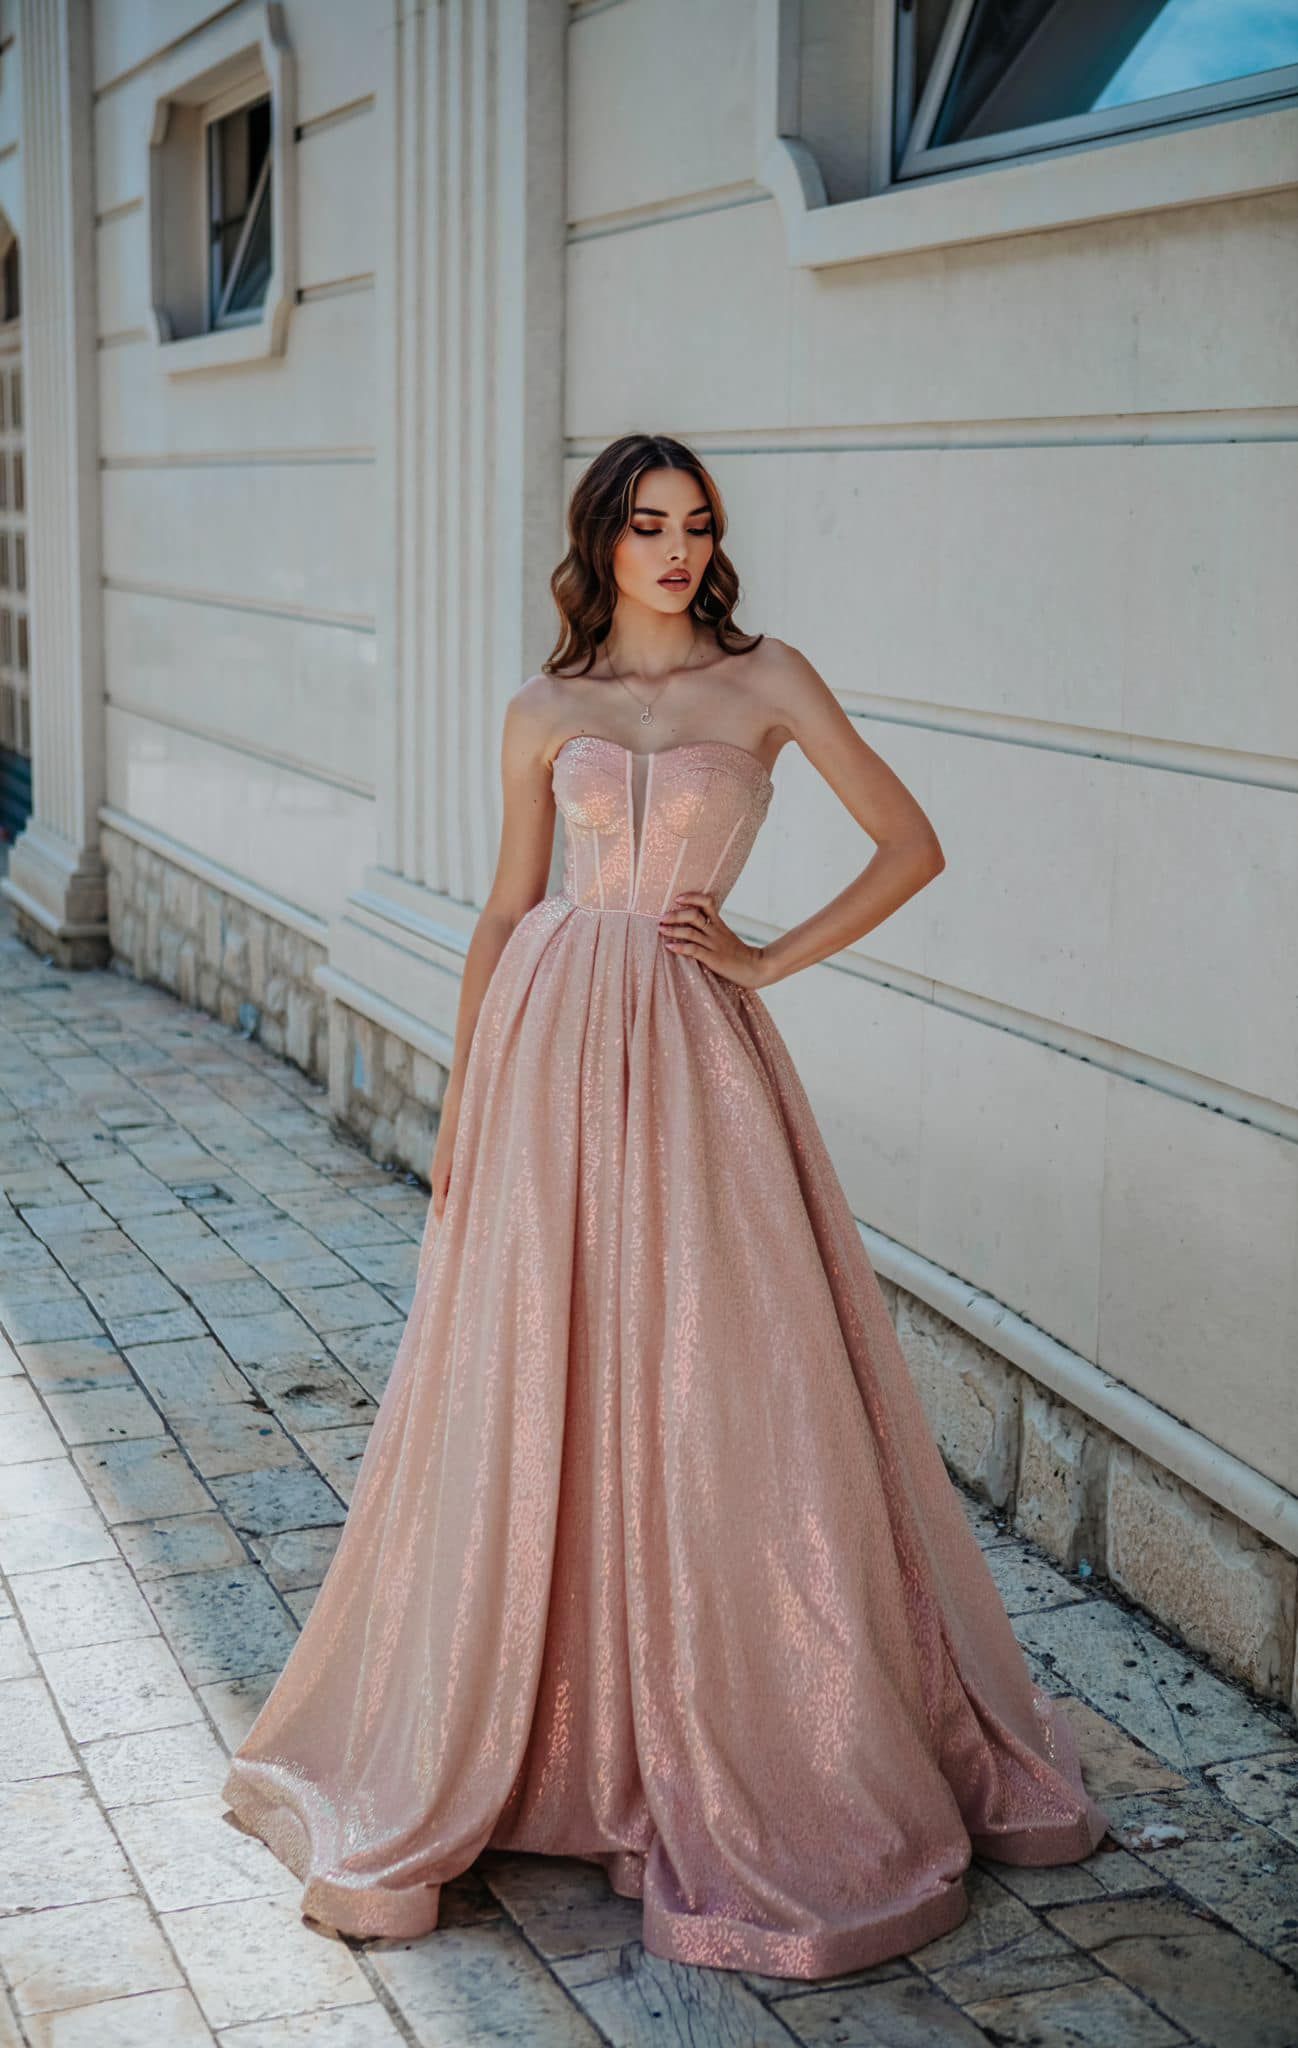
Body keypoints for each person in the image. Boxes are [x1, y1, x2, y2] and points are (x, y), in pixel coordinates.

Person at [221, 431, 1111, 1980]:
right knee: (541, 1368)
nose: (677, 550)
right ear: (601, 541)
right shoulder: (541, 708)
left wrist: (767, 958)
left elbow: (912, 843)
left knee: (723, 1376)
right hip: (551, 1044)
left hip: (698, 1061)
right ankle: (535, 1720)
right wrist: (466, 1100)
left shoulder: (764, 681)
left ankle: (749, 1713)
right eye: (646, 527)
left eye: (695, 525)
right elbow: (508, 907)